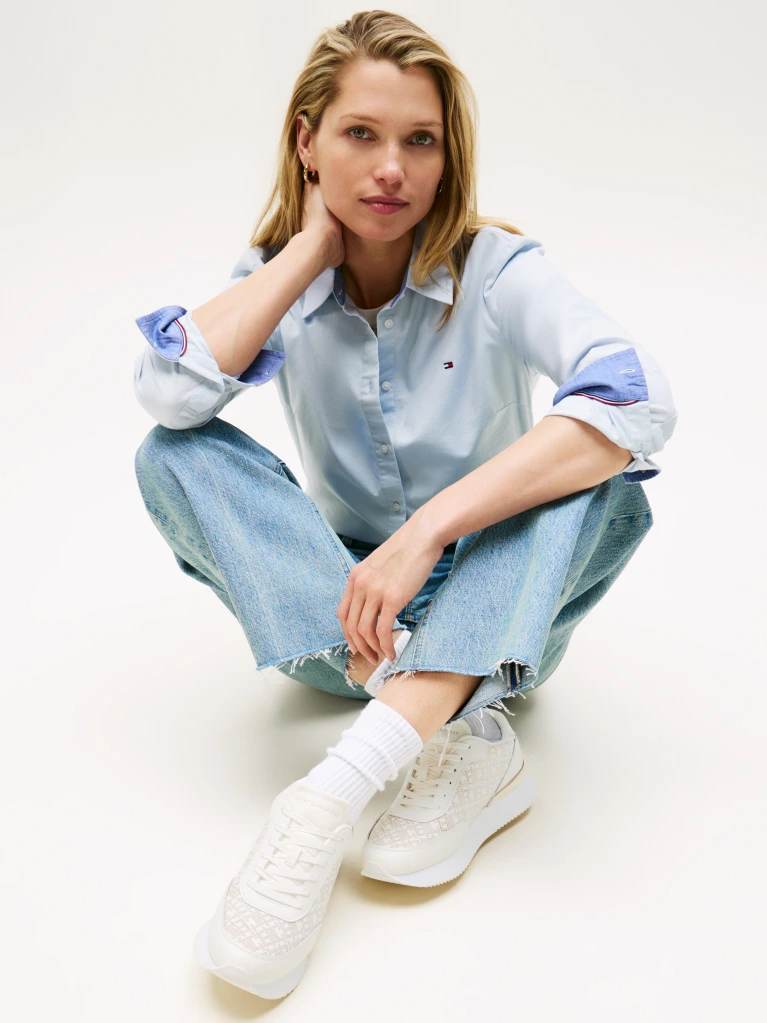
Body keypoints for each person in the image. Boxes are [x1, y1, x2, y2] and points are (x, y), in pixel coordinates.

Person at [132, 10, 677, 1001]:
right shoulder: (279, 281)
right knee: (173, 455)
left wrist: (428, 532)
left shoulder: (497, 271)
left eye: (419, 140)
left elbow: (636, 399)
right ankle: (458, 731)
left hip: (499, 612)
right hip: (348, 628)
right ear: (307, 143)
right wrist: (307, 251)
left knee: (588, 474)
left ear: (445, 155)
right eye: (360, 134)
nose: (392, 169)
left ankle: (323, 800)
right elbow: (167, 394)